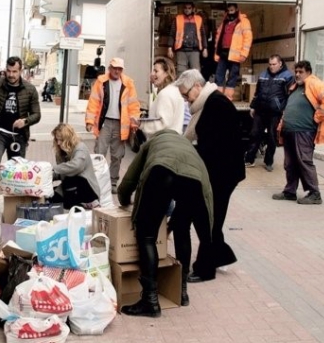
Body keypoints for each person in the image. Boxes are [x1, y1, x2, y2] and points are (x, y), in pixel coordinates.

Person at [117, 129, 214, 316]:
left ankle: (150, 301)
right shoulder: (186, 145)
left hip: (162, 171)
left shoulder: (152, 143)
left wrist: (123, 200)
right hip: (195, 181)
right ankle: (182, 292)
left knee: (147, 235)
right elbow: (205, 186)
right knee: (182, 228)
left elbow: (130, 178)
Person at [179, 69, 245, 282]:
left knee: (208, 220)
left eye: (186, 94)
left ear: (197, 86)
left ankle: (205, 269)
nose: (186, 99)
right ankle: (221, 255)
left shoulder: (216, 104)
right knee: (211, 218)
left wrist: (192, 157)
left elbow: (214, 146)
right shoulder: (208, 103)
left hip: (222, 174)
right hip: (220, 171)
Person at [0, 56, 41, 204]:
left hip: (19, 136)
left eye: (14, 71)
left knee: (16, 171)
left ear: (20, 71)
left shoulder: (30, 89)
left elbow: (37, 115)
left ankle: (13, 205)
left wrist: (25, 121)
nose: (11, 75)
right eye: (8, 71)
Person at [273, 60, 324, 205]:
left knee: (304, 161)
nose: (297, 74)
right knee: (290, 163)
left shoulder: (314, 83)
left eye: (301, 72)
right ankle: (290, 191)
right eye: (296, 71)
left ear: (308, 72)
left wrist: (318, 117)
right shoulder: (295, 87)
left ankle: (315, 194)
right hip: (290, 131)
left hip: (304, 130)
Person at [85, 57, 141, 193]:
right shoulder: (101, 82)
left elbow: (133, 105)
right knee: (100, 153)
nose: (117, 71)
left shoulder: (128, 83)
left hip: (121, 124)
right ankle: (98, 181)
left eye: (119, 69)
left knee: (117, 155)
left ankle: (113, 182)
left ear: (122, 70)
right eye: (114, 68)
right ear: (109, 68)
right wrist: (89, 121)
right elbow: (93, 102)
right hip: (104, 123)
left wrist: (134, 123)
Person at [244, 54, 295, 171]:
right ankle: (249, 160)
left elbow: (290, 96)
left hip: (275, 113)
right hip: (260, 111)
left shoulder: (287, 76)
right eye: (270, 64)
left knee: (272, 137)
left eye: (274, 64)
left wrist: (285, 110)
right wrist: (253, 106)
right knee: (254, 134)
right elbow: (257, 92)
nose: (271, 66)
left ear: (280, 63)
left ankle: (268, 162)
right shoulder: (263, 75)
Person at [50, 123, 101, 209]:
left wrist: (53, 168)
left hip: (86, 188)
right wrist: (47, 175)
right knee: (51, 197)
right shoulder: (60, 153)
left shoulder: (80, 148)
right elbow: (62, 172)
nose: (58, 143)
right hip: (69, 186)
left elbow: (76, 167)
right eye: (57, 139)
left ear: (67, 139)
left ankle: (89, 202)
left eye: (61, 140)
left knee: (71, 180)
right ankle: (75, 205)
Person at [214, 3, 253, 101]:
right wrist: (216, 52)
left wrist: (244, 54)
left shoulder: (244, 21)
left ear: (236, 9)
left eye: (232, 10)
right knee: (219, 77)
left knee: (232, 78)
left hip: (235, 55)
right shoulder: (225, 21)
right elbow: (218, 37)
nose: (230, 12)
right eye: (228, 11)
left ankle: (228, 99)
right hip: (223, 53)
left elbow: (248, 38)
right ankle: (218, 99)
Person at [140, 57, 185, 137]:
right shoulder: (175, 91)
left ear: (166, 73)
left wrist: (141, 124)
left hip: (164, 141)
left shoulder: (165, 94)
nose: (152, 74)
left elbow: (162, 124)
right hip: (173, 139)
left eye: (156, 71)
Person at [167, 2, 208, 73]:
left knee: (195, 72)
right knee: (181, 71)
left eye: (189, 8)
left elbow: (203, 34)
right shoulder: (178, 19)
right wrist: (169, 48)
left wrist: (205, 48)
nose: (187, 10)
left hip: (194, 50)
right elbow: (172, 34)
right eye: (185, 8)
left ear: (193, 9)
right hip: (181, 50)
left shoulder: (198, 19)